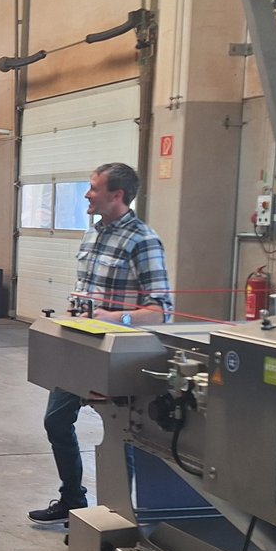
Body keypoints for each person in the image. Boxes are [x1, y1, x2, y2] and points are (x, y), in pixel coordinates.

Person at [30, 162, 171, 525]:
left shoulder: (142, 240)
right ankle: (73, 500)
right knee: (56, 421)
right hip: (80, 347)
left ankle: (115, 518)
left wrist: (114, 317)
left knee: (119, 433)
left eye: (94, 188)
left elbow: (161, 311)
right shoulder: (92, 234)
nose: (87, 194)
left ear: (117, 195)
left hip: (117, 355)